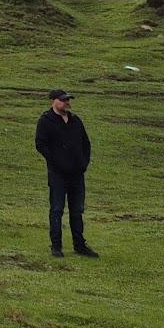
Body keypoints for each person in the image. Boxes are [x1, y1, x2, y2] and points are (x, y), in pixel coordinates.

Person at [33, 89, 96, 258]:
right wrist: (55, 162)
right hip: (58, 175)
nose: (67, 103)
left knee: (77, 210)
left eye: (68, 100)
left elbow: (86, 143)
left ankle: (79, 245)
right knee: (57, 209)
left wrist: (83, 163)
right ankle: (56, 246)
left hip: (77, 174)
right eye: (63, 100)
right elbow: (40, 144)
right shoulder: (46, 121)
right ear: (53, 101)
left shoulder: (75, 121)